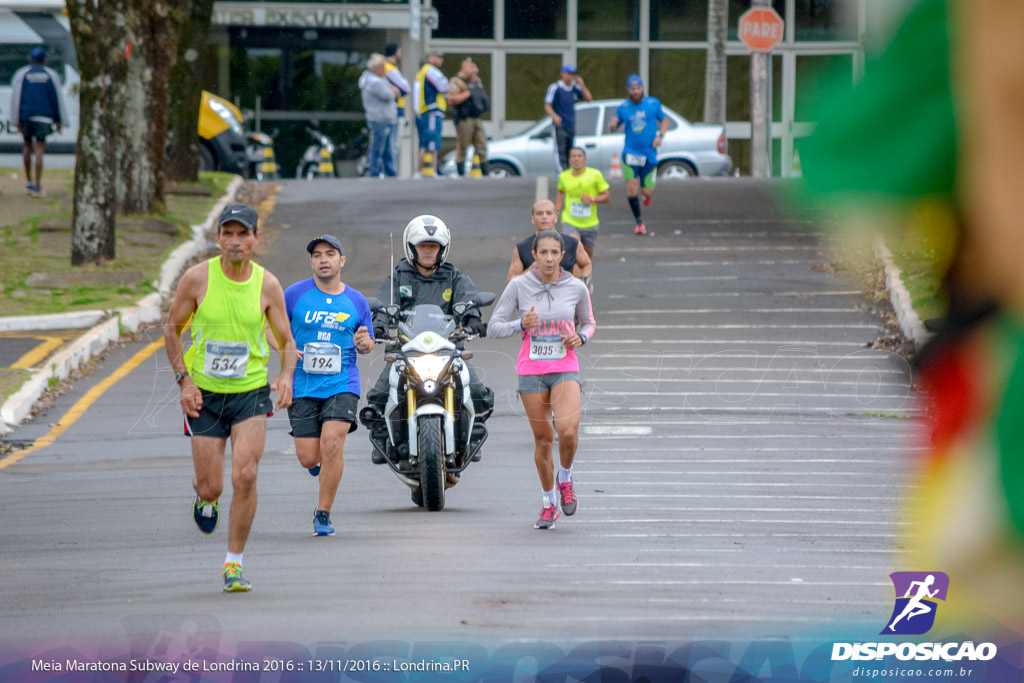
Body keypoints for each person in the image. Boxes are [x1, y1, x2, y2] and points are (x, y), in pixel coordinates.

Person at [164, 202, 297, 592]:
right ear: (218, 238)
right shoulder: (196, 279)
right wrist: (184, 381)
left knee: (246, 474)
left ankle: (233, 563)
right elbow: (172, 329)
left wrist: (286, 374)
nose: (236, 242)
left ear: (257, 238)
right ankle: (204, 498)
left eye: (244, 234)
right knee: (213, 487)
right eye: (229, 234)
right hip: (204, 394)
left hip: (250, 392)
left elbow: (287, 340)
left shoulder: (267, 284)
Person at [364, 215, 493, 466]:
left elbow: (468, 299)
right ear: (412, 248)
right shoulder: (398, 277)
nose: (427, 251)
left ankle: (473, 430)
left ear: (441, 249)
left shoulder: (454, 276)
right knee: (379, 394)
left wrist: (472, 318)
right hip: (406, 349)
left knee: (477, 391)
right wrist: (378, 326)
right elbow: (383, 305)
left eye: (432, 247)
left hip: (447, 347)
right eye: (422, 246)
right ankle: (381, 435)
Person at [487, 230, 596, 530]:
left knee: (568, 433)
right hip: (531, 370)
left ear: (563, 256)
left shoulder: (575, 287)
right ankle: (549, 503)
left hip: (564, 366)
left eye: (554, 253)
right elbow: (493, 327)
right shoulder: (519, 286)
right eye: (543, 252)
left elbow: (588, 323)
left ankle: (565, 477)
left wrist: (581, 337)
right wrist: (519, 324)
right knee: (544, 441)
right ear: (533, 255)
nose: (549, 258)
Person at [283, 234, 375, 537]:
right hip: (304, 384)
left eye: (331, 254)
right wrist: (285, 347)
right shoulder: (293, 295)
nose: (324, 259)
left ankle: (323, 513)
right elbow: (273, 329)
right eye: (318, 255)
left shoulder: (357, 301)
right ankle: (317, 464)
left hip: (341, 382)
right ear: (311, 262)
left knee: (332, 445)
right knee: (309, 456)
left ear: (341, 261)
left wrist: (365, 344)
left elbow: (367, 341)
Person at [607, 74, 669, 236]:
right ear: (628, 90)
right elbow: (615, 123)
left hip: (649, 153)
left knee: (647, 191)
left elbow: (665, 121)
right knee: (632, 186)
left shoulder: (652, 103)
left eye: (638, 88)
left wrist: (660, 136)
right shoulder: (624, 107)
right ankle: (639, 223)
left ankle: (646, 196)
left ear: (642, 88)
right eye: (632, 89)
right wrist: (612, 125)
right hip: (630, 153)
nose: (635, 91)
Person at [8, 46, 66, 197]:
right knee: (39, 150)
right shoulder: (50, 75)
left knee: (27, 146)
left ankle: (28, 181)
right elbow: (56, 99)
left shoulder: (22, 74)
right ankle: (37, 185)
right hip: (44, 118)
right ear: (44, 59)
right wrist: (59, 120)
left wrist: (16, 119)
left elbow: (16, 98)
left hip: (26, 117)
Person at [506, 199, 592, 287]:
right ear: (532, 219)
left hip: (565, 297)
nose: (544, 217)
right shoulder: (522, 248)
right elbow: (510, 282)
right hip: (533, 298)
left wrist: (584, 282)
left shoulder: (573, 243)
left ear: (556, 217)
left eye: (549, 213)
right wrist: (529, 271)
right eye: (539, 213)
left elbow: (587, 264)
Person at [556, 147, 610, 262]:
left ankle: (587, 278)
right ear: (570, 160)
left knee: (587, 256)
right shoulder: (564, 176)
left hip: (590, 222)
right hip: (570, 220)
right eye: (573, 156)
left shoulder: (595, 175)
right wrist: (558, 207)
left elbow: (606, 197)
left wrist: (592, 199)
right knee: (574, 248)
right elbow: (560, 190)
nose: (576, 159)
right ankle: (577, 279)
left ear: (585, 160)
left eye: (579, 156)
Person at [544, 64, 592, 173]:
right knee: (560, 151)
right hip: (560, 126)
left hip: (571, 125)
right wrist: (555, 116)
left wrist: (582, 85)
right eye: (569, 73)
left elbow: (589, 99)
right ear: (563, 74)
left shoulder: (575, 89)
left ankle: (569, 173)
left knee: (570, 151)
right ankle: (562, 174)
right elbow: (547, 105)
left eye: (573, 74)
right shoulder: (556, 88)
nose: (571, 76)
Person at [447, 58, 490, 177]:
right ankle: (461, 175)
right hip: (464, 119)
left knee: (482, 145)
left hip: (477, 117)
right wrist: (466, 94)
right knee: (463, 146)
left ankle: (486, 175)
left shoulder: (476, 81)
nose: (475, 71)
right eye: (471, 67)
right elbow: (450, 99)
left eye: (475, 68)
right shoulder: (456, 81)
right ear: (464, 66)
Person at [358, 53, 399, 178]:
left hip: (383, 119)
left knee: (386, 148)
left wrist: (391, 89)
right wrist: (392, 90)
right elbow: (389, 95)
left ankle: (388, 173)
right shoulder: (374, 82)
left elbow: (394, 91)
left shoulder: (377, 80)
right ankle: (376, 172)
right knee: (379, 148)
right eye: (382, 66)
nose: (384, 69)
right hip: (380, 119)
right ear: (375, 68)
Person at [413, 52, 449, 177]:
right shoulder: (431, 71)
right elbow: (444, 86)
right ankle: (433, 171)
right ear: (430, 58)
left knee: (423, 142)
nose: (442, 60)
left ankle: (419, 171)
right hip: (433, 110)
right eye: (439, 57)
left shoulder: (421, 72)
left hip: (423, 111)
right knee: (433, 141)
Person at [383, 42, 411, 171]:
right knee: (394, 144)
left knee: (391, 143)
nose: (401, 54)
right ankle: (391, 173)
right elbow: (406, 88)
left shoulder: (390, 68)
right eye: (399, 51)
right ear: (395, 52)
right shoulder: (390, 69)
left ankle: (389, 172)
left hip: (394, 110)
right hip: (395, 110)